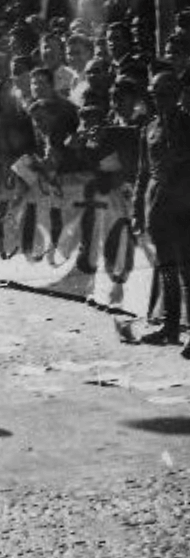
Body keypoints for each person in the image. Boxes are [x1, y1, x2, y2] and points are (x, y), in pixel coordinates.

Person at [132, 71, 190, 356]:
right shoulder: (149, 128)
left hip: (184, 201)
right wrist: (136, 209)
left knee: (187, 268)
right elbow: (142, 172)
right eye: (155, 95)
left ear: (178, 94)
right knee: (166, 266)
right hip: (157, 202)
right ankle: (170, 326)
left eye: (166, 94)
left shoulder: (187, 124)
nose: (160, 100)